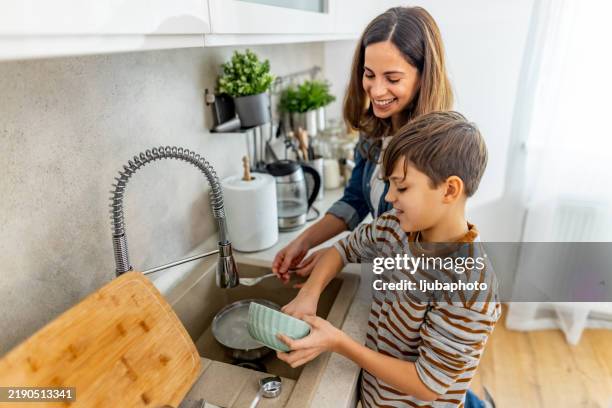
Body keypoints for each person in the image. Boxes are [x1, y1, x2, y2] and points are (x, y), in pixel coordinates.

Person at [275, 111, 501, 408]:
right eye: (390, 184)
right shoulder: (394, 227)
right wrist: (309, 293)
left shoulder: (470, 287)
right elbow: (344, 249)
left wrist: (338, 341)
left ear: (449, 190)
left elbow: (425, 385)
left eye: (402, 187)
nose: (390, 198)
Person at [272, 5, 453, 282]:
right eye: (369, 74)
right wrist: (305, 241)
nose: (377, 91)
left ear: (423, 78)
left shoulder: (438, 149)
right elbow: (356, 199)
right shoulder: (374, 130)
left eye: (392, 78)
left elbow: (413, 243)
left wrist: (344, 252)